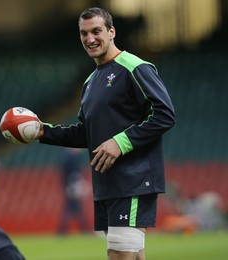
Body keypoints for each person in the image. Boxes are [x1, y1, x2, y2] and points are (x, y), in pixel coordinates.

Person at [36, 7, 175, 260]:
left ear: (111, 32)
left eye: (96, 31)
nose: (90, 39)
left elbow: (164, 114)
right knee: (132, 255)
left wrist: (120, 142)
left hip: (133, 179)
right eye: (84, 33)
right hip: (107, 183)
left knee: (119, 254)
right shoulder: (90, 82)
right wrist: (42, 132)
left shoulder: (135, 67)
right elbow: (85, 135)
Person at [57, 148, 91, 235]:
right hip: (72, 186)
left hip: (69, 186)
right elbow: (72, 174)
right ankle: (84, 229)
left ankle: (63, 230)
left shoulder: (67, 157)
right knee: (74, 209)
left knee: (73, 208)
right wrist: (76, 185)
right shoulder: (70, 158)